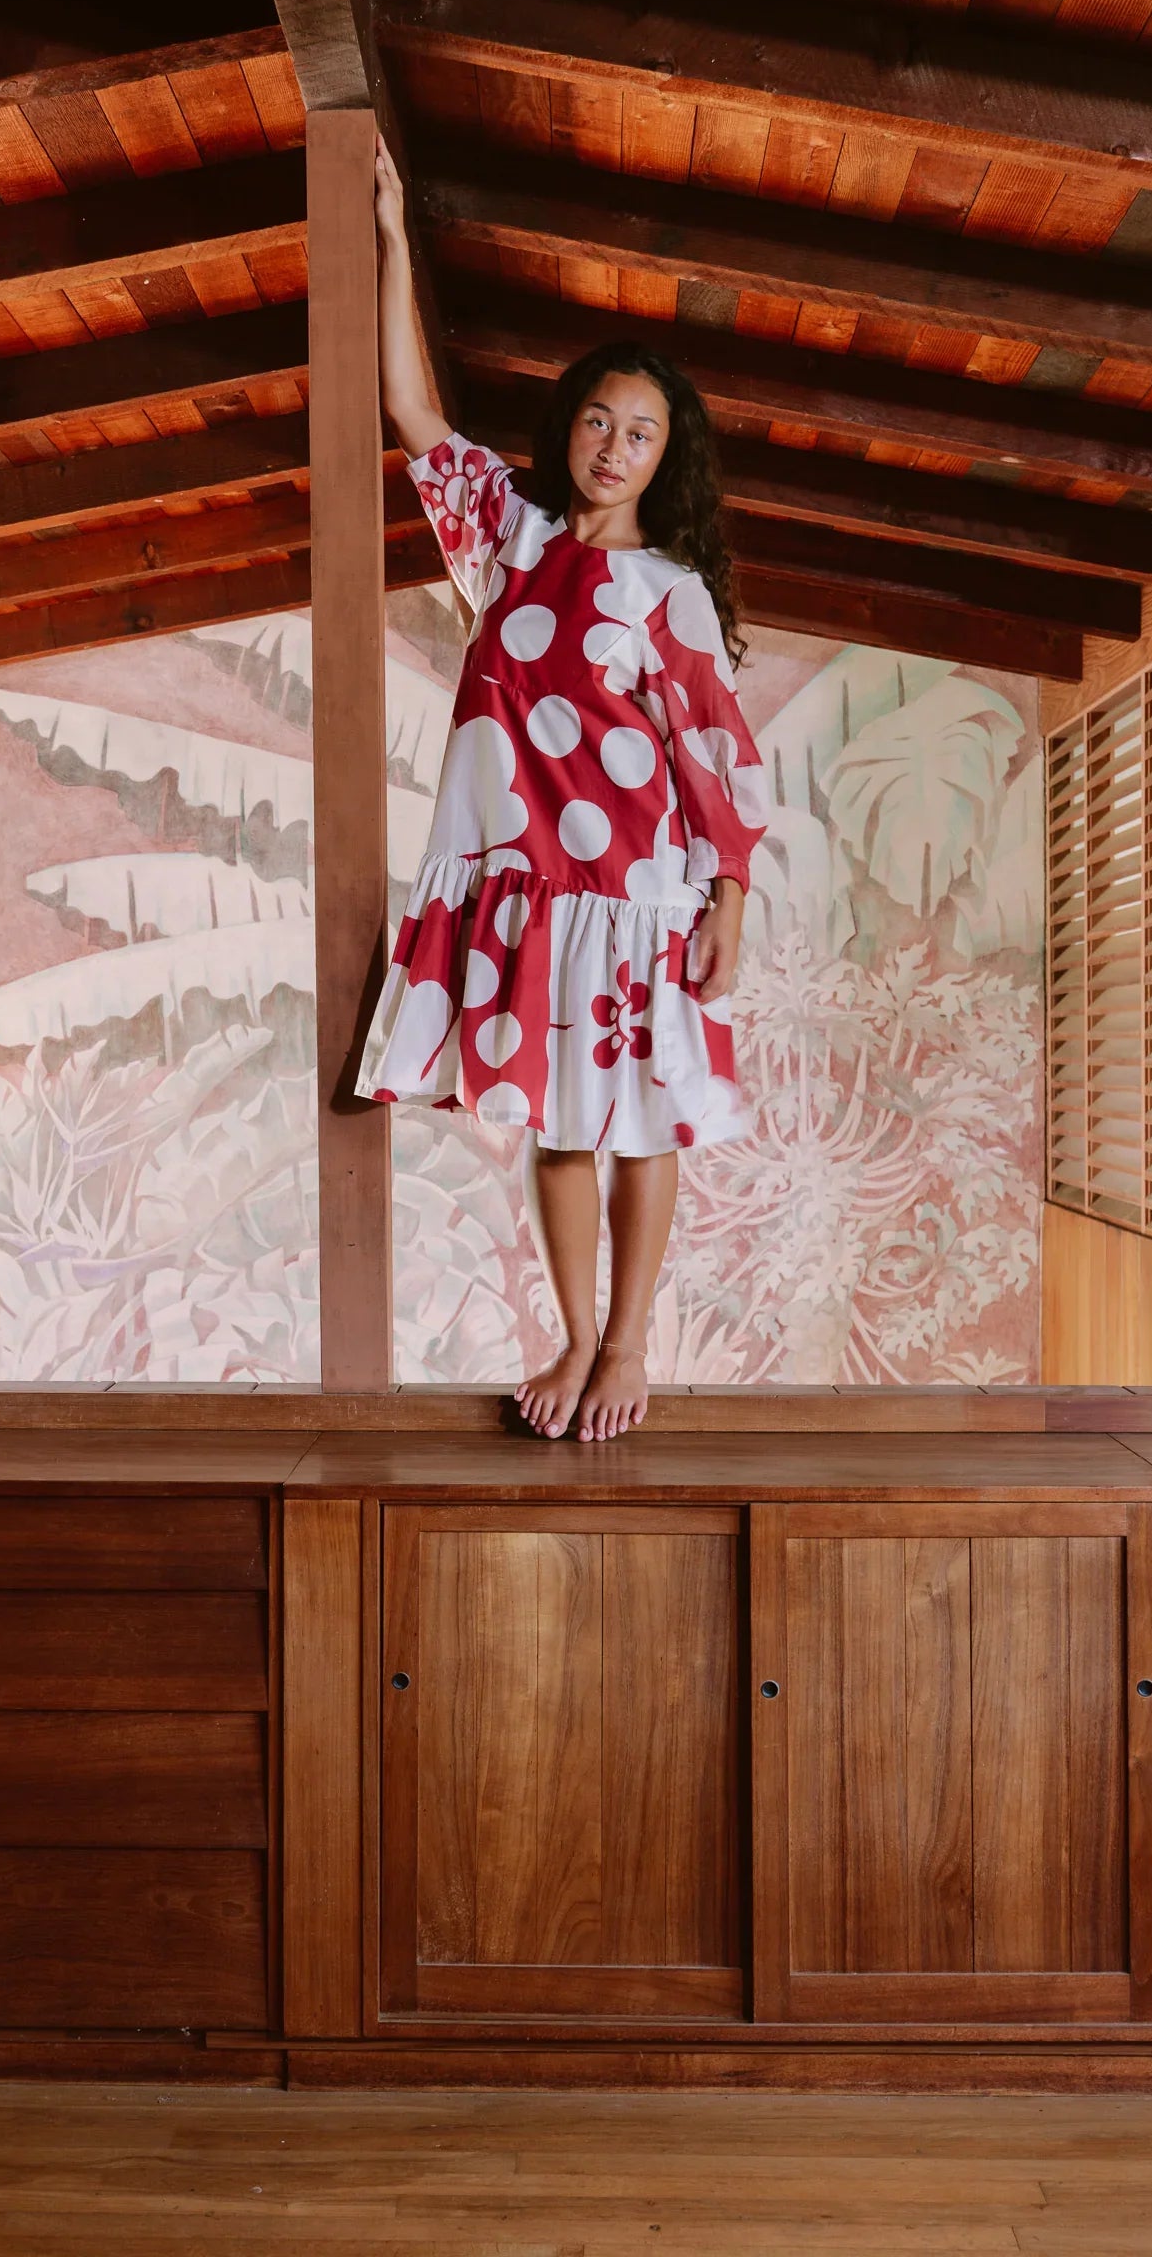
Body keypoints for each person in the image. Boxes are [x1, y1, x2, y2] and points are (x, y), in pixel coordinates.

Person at [357, 138, 769, 1441]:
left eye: (640, 433)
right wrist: (384, 230)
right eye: (598, 418)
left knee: (638, 1125)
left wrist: (730, 902)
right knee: (552, 1123)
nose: (613, 445)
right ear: (569, 426)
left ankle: (630, 1343)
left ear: (664, 460)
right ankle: (576, 1333)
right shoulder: (507, 542)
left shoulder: (674, 594)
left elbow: (713, 752)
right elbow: (414, 416)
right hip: (530, 890)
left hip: (640, 888)